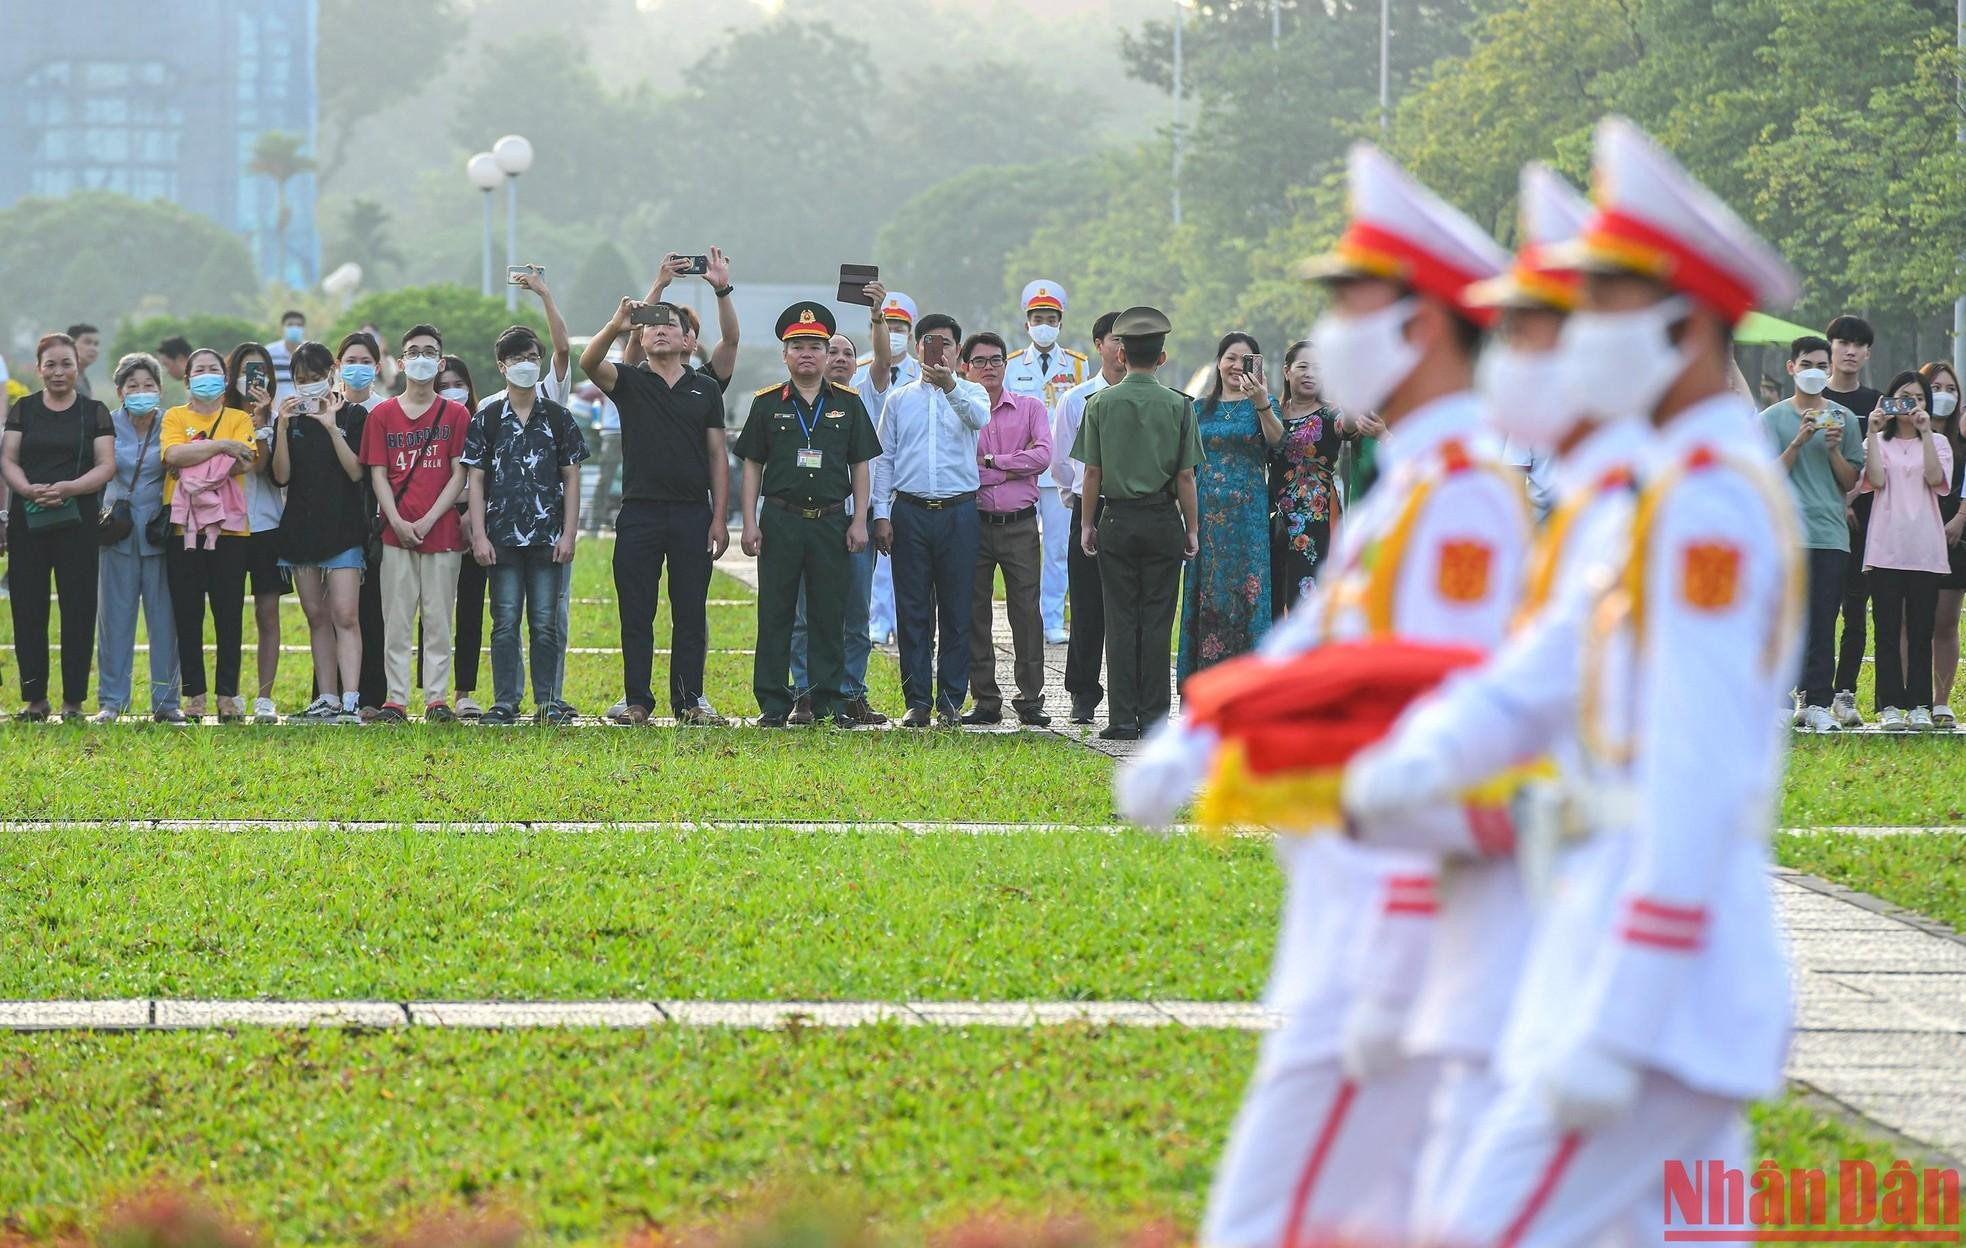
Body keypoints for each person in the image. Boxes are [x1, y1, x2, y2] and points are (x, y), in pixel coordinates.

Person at [1364, 117, 1804, 1248]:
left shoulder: (1704, 499)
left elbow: (1698, 775)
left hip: (1656, 974)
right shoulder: (1668, 489)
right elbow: (1538, 673)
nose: (1573, 336)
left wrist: (1620, 1011)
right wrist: (1417, 755)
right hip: (1624, 945)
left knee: (1479, 1227)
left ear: (1685, 322)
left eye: (1597, 306)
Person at [1335, 160, 1615, 1230]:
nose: (1522, 355)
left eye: (1541, 328)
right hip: (1558, 921)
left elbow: (1688, 777)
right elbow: (1502, 691)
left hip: (1616, 944)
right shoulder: (1601, 503)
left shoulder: (1674, 512)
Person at [581, 296, 732, 727]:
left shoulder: (705, 387)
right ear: (641, 338)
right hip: (639, 513)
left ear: (687, 339)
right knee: (636, 610)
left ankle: (688, 701)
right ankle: (637, 700)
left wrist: (719, 516)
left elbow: (718, 455)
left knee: (689, 610)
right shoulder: (631, 381)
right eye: (652, 326)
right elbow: (589, 362)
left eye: (670, 324)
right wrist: (616, 323)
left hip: (691, 514)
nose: (660, 329)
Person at [737, 301, 879, 727]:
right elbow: (751, 467)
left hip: (832, 521)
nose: (807, 353)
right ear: (785, 354)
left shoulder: (849, 405)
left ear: (825, 352)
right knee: (776, 612)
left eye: (815, 346)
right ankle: (774, 701)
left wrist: (859, 520)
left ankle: (829, 701)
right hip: (781, 520)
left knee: (827, 612)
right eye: (797, 345)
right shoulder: (766, 405)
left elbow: (860, 466)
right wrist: (748, 522)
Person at [1073, 306, 1204, 742]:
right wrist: (1191, 529)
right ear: (1162, 358)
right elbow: (1186, 477)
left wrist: (1088, 525)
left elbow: (1091, 473)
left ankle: (1121, 717)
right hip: (1163, 519)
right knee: (1156, 620)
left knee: (1120, 617)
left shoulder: (1099, 404)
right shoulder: (1181, 407)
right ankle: (1154, 719)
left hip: (1118, 519)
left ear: (1122, 354)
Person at [871, 312, 991, 727]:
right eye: (930, 341)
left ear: (957, 352)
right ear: (918, 347)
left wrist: (950, 385)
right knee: (913, 608)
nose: (937, 348)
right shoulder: (900, 399)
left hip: (959, 511)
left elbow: (979, 420)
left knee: (958, 608)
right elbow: (884, 460)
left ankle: (952, 699)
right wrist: (882, 514)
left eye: (946, 342)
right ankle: (918, 699)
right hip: (911, 512)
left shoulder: (973, 392)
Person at [464, 327, 588, 725]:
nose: (526, 366)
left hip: (548, 539)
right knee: (503, 623)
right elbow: (476, 480)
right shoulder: (487, 418)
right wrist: (479, 535)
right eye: (517, 360)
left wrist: (569, 533)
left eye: (533, 358)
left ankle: (548, 701)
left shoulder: (558, 417)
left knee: (545, 624)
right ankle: (505, 701)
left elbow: (572, 477)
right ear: (502, 367)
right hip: (500, 541)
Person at [359, 323, 471, 723]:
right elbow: (377, 474)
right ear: (401, 361)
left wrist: (427, 519)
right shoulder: (383, 415)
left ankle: (437, 699)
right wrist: (399, 521)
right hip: (395, 535)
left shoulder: (457, 415)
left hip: (441, 533)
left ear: (440, 363)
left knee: (439, 618)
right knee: (398, 619)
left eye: (429, 352)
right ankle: (396, 699)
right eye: (413, 352)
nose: (420, 358)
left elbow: (460, 474)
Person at [2, 333, 115, 719]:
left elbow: (105, 466)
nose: (58, 371)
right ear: (38, 368)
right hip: (27, 522)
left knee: (78, 609)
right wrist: (26, 490)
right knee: (28, 608)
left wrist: (70, 488)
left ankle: (72, 701)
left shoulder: (95, 411)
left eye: (66, 363)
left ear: (77, 366)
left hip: (77, 521)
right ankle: (35, 700)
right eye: (50, 364)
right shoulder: (23, 409)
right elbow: (8, 459)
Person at [788, 326, 888, 725]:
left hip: (855, 520)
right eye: (834, 352)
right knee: (805, 612)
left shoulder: (867, 396)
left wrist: (878, 317)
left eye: (849, 353)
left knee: (856, 612)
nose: (841, 359)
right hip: (813, 522)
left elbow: (882, 360)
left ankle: (852, 693)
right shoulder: (801, 401)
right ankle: (806, 692)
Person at [1764, 335, 1862, 732]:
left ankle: (1818, 701)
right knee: (1785, 620)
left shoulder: (1843, 419)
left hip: (1829, 534)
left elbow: (1850, 480)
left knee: (1823, 620)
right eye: (1807, 365)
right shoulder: (1771, 419)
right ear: (1791, 368)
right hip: (1784, 533)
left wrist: (1834, 449)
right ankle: (1780, 700)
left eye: (1822, 366)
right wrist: (1798, 442)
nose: (1814, 372)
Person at [272, 340, 369, 724]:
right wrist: (280, 426)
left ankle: (350, 699)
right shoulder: (292, 419)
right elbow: (281, 475)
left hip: (344, 527)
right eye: (301, 379)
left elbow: (357, 471)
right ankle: (326, 697)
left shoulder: (354, 416)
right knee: (316, 615)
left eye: (315, 377)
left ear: (333, 372)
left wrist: (331, 429)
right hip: (300, 528)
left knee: (345, 613)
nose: (308, 385)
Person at [961, 330, 1054, 727]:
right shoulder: (960, 410)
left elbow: (1044, 455)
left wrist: (995, 464)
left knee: (1026, 612)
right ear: (965, 367)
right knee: (974, 611)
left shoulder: (1031, 407)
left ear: (1006, 364)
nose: (988, 368)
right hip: (973, 524)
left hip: (1019, 526)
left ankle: (1031, 698)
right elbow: (964, 467)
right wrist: (1012, 466)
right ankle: (985, 699)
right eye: (979, 361)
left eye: (995, 360)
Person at [161, 347, 259, 722]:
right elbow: (171, 456)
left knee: (229, 614)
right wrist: (220, 446)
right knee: (188, 614)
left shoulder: (239, 417)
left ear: (225, 378)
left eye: (213, 369)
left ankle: (228, 695)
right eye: (198, 370)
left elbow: (246, 461)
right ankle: (195, 696)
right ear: (186, 381)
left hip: (231, 529)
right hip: (183, 528)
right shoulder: (173, 416)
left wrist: (195, 458)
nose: (206, 375)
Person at [1178, 334, 1283, 683]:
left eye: (1246, 359)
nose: (1237, 366)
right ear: (1218, 361)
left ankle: (1249, 682)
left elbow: (1278, 442)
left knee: (1247, 592)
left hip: (1248, 518)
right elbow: (1185, 465)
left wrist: (1261, 403)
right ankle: (1205, 681)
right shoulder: (1197, 409)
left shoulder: (1264, 404)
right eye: (1230, 358)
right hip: (1205, 512)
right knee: (1207, 591)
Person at [1860, 369, 1953, 731]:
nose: (1909, 405)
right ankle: (1889, 705)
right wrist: (1871, 431)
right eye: (1902, 397)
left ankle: (1919, 704)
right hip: (1885, 547)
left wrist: (1927, 431)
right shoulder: (1877, 442)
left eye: (1917, 398)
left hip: (1925, 549)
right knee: (1885, 628)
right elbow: (1877, 481)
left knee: (1920, 629)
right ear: (1888, 399)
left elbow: (1935, 479)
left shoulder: (1939, 443)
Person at [95, 352, 182, 723]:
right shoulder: (106, 425)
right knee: (114, 620)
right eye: (133, 386)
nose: (141, 392)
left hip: (159, 531)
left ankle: (167, 702)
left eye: (149, 385)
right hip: (118, 530)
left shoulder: (173, 424)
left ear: (160, 390)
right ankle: (112, 701)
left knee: (165, 621)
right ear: (120, 391)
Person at [1004, 280, 1089, 646]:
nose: (1044, 324)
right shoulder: (1010, 366)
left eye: (1050, 318)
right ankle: (1023, 622)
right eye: (1037, 318)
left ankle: (1052, 619)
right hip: (1019, 471)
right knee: (1020, 551)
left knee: (1056, 549)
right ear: (1027, 323)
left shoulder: (1077, 365)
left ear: (1060, 323)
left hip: (1059, 472)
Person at [1053, 310, 1123, 724]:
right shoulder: (1076, 398)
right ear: (1099, 345)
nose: (1122, 348)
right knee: (1085, 604)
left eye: (1129, 340)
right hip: (1089, 506)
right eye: (1115, 339)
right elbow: (1061, 461)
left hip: (1133, 506)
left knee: (1127, 605)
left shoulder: (1147, 396)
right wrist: (1078, 501)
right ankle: (1082, 691)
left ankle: (1127, 690)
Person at [224, 341, 288, 723]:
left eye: (261, 370)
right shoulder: (220, 418)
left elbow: (268, 471)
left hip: (266, 525)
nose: (253, 377)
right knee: (227, 613)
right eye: (247, 370)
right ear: (233, 376)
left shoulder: (279, 418)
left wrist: (263, 421)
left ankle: (265, 697)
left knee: (268, 613)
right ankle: (228, 694)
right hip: (227, 526)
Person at [1825, 314, 1881, 727]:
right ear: (1830, 348)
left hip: (1868, 523)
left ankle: (1845, 692)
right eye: (1843, 342)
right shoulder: (1812, 400)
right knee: (1818, 610)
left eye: (1858, 345)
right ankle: (1811, 691)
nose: (1850, 351)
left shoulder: (1876, 404)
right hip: (1820, 523)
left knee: (1856, 609)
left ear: (1867, 353)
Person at [856, 289, 918, 649]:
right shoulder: (861, 368)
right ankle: (879, 620)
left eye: (900, 326)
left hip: (907, 474)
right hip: (870, 471)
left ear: (910, 333)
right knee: (876, 555)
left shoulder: (922, 373)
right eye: (887, 324)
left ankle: (903, 621)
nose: (894, 332)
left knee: (907, 556)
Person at [335, 331, 391, 718]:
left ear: (378, 367)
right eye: (349, 361)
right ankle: (330, 692)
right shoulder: (325, 411)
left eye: (364, 361)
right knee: (335, 614)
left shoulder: (386, 412)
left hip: (377, 522)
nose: (357, 368)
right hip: (334, 522)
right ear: (337, 367)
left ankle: (372, 695)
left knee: (372, 611)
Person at [1269, 341, 1343, 614]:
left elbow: (1348, 426)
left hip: (1317, 518)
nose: (1310, 373)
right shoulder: (1273, 412)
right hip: (1275, 516)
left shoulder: (1331, 413)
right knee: (1277, 590)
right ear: (1287, 371)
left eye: (1317, 368)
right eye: (1303, 367)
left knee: (1310, 594)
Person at [435, 355, 489, 719]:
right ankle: (433, 691)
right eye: (444, 386)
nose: (452, 392)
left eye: (458, 384)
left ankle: (463, 691)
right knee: (434, 608)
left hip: (474, 518)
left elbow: (488, 473)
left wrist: (474, 513)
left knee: (470, 607)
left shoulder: (481, 422)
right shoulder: (428, 423)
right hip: (435, 519)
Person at [1921, 360, 1964, 727]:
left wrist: (1960, 519)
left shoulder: (1962, 439)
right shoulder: (1901, 434)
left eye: (1951, 390)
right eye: (1936, 388)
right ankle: (1906, 698)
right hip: (1907, 537)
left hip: (1955, 536)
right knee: (1905, 619)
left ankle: (1940, 701)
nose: (1944, 397)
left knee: (1945, 621)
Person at [266, 310, 307, 400]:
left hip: (305, 408)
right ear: (282, 328)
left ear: (304, 328)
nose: (295, 328)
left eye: (299, 325)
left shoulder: (311, 352)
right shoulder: (270, 352)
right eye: (290, 325)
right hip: (277, 409)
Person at [65, 323, 101, 398]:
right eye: (87, 342)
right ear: (71, 344)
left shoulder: (83, 379)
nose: (93, 348)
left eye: (96, 344)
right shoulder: (62, 377)